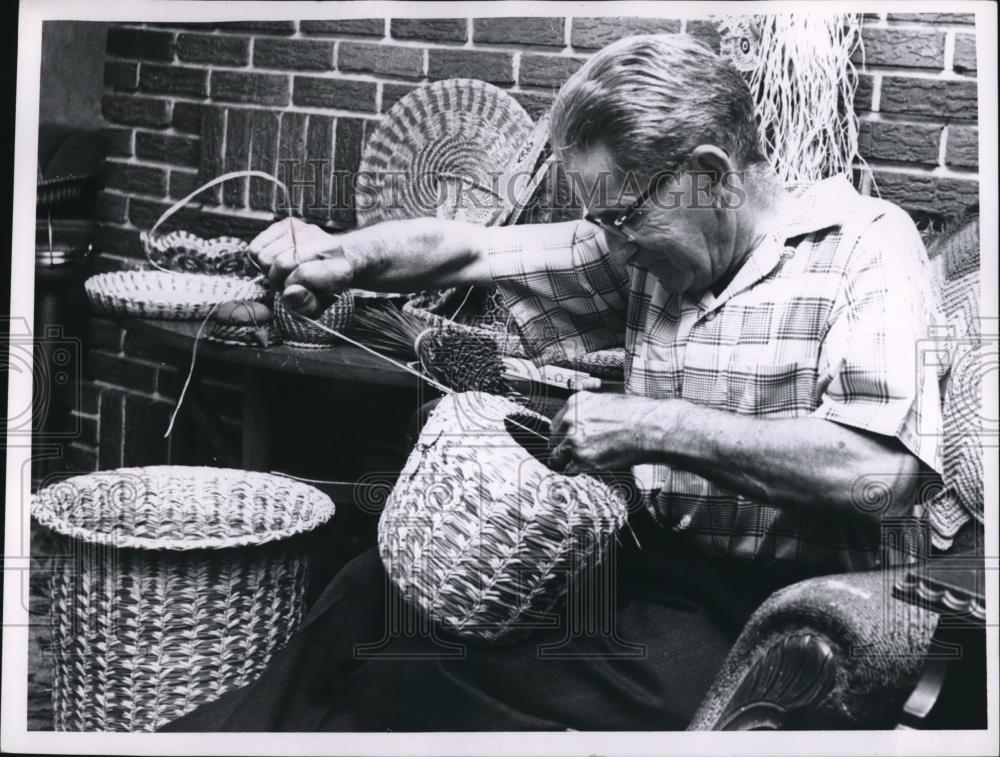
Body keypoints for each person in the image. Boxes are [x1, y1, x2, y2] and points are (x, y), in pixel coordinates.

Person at [160, 34, 942, 732]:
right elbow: (467, 251)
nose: (612, 244)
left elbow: (882, 472)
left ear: (710, 176)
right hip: (650, 565)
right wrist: (344, 256)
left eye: (622, 218)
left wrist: (651, 425)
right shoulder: (649, 240)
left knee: (420, 679)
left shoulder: (863, 248)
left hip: (769, 611)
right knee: (377, 588)